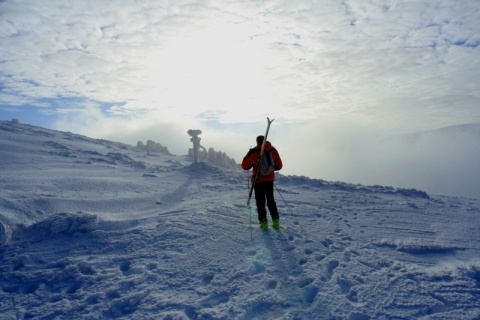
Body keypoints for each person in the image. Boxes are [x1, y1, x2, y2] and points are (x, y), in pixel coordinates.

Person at [242, 135, 283, 230]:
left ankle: (264, 223)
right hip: (269, 180)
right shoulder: (272, 150)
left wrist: (253, 164)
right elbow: (279, 166)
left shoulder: (254, 151)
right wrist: (269, 170)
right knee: (271, 200)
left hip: (258, 180)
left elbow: (244, 166)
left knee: (260, 201)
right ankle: (276, 221)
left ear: (257, 142)